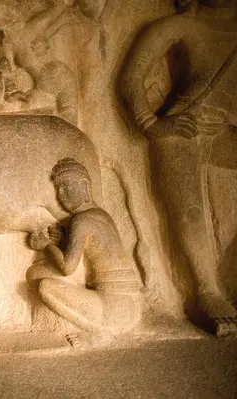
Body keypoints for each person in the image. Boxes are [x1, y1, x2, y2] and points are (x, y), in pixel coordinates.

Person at [118, 0, 237, 336]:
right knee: (188, 208)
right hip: (183, 130)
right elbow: (129, 81)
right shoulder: (180, 27)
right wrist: (152, 125)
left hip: (226, 131)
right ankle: (206, 290)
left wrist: (230, 119)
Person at [29, 158, 141, 347]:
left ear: (85, 186)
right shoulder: (102, 215)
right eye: (58, 189)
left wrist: (46, 245)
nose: (61, 195)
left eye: (67, 187)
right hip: (132, 305)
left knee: (45, 287)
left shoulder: (81, 221)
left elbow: (67, 268)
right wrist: (63, 241)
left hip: (111, 308)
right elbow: (95, 248)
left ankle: (99, 333)